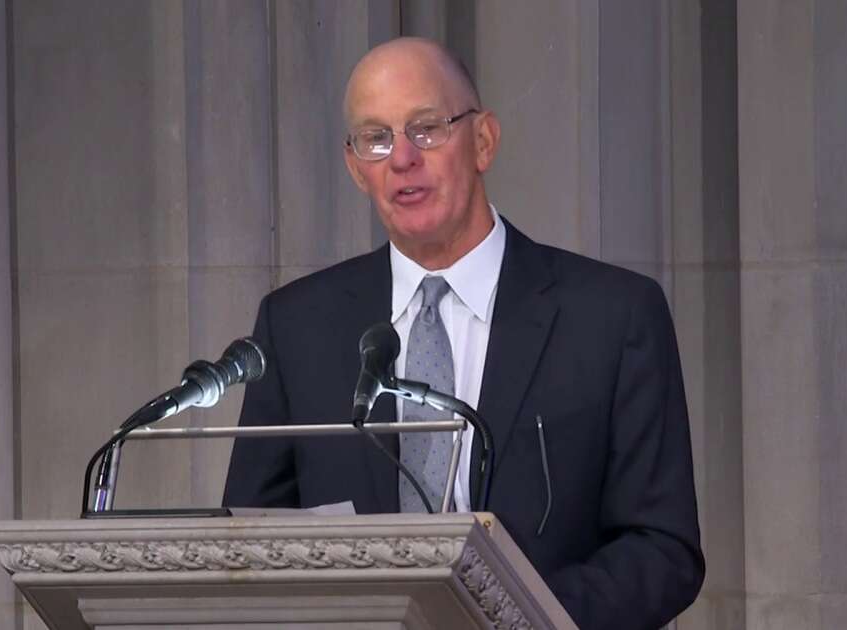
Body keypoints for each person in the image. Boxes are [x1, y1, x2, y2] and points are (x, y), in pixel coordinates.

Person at [223, 37, 704, 629]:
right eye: (377, 139)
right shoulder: (296, 326)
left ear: (483, 141)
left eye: (426, 128)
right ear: (355, 168)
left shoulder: (612, 314)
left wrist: (516, 619)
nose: (402, 158)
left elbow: (662, 547)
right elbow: (248, 542)